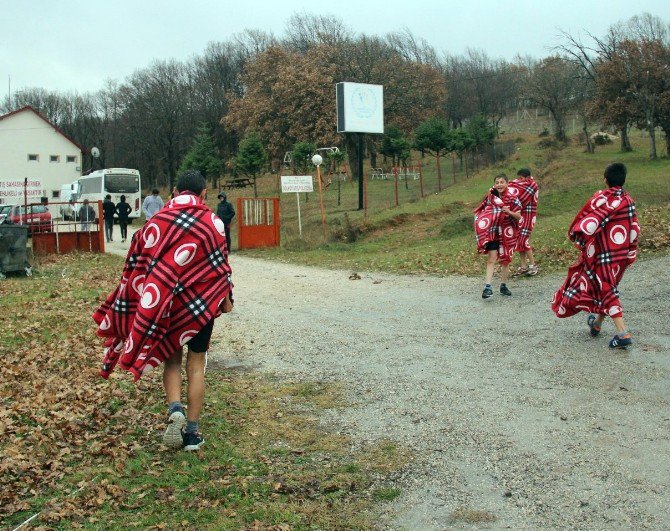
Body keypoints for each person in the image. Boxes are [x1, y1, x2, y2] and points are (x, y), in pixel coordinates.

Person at [93, 170, 233, 451]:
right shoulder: (213, 222)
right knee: (196, 366)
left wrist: (135, 302)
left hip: (167, 307)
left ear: (176, 193)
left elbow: (137, 265)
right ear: (203, 194)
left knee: (171, 362)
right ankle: (192, 433)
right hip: (201, 309)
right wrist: (226, 299)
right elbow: (220, 267)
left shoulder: (156, 223)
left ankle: (174, 409)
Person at [552, 162, 639, 349]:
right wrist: (631, 251)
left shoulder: (601, 198)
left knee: (607, 289)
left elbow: (586, 221)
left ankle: (623, 333)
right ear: (623, 180)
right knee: (608, 286)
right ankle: (597, 324)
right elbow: (634, 227)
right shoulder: (628, 201)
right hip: (620, 254)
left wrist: (579, 238)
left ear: (605, 180)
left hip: (601, 254)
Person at [474, 173, 522, 299]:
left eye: (502, 182)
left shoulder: (513, 198)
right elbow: (483, 211)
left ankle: (503, 285)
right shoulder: (490, 197)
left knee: (505, 260)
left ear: (507, 183)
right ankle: (487, 287)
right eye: (497, 182)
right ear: (494, 184)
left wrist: (509, 212)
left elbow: (518, 216)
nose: (499, 184)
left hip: (508, 232)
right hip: (493, 232)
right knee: (492, 258)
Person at [509, 168, 539, 276]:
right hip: (521, 216)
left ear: (527, 177)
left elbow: (522, 198)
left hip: (529, 216)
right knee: (519, 241)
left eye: (521, 178)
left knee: (524, 241)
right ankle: (523, 266)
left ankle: (533, 265)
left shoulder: (532, 185)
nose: (519, 180)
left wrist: (512, 202)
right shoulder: (523, 184)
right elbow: (514, 186)